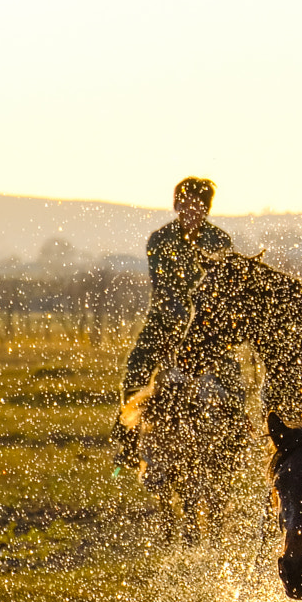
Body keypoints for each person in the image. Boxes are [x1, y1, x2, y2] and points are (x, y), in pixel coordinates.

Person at [114, 177, 233, 454]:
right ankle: (128, 440)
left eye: (198, 204)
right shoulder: (159, 239)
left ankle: (235, 437)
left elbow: (223, 288)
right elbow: (164, 289)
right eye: (186, 202)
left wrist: (205, 324)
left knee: (230, 375)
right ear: (176, 204)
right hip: (165, 321)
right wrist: (180, 328)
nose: (191, 209)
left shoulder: (220, 241)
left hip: (208, 324)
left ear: (206, 208)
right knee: (137, 367)